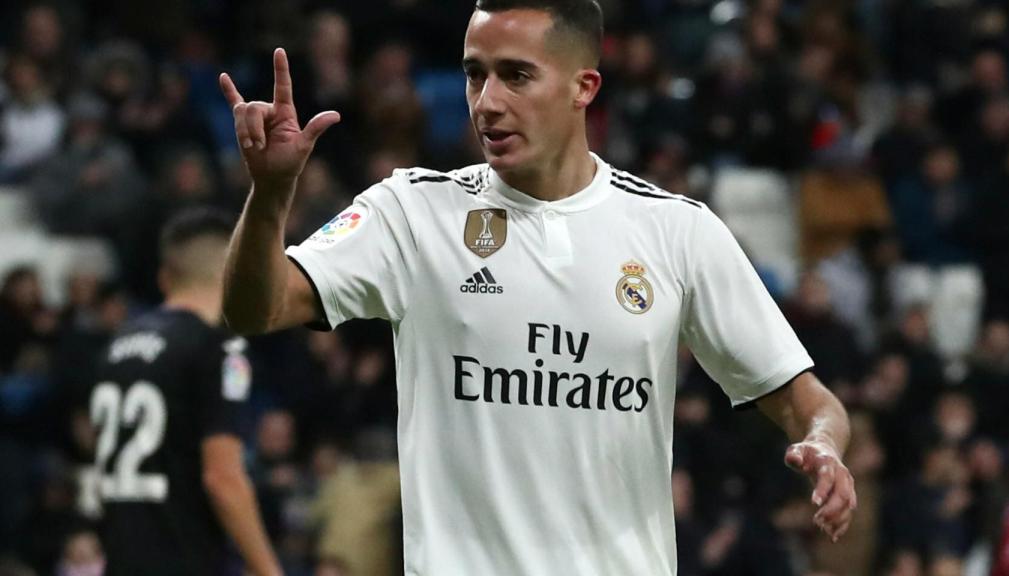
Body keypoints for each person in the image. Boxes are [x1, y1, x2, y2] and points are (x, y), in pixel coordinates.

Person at [219, 1, 857, 573]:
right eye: (475, 74)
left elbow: (809, 400)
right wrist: (271, 195)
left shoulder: (674, 232)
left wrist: (824, 444)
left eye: (516, 75)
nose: (487, 101)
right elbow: (256, 309)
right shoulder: (411, 214)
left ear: (584, 87)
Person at [89, 209, 281, 575]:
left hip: (119, 560)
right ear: (234, 271)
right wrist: (268, 569)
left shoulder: (117, 347)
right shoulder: (221, 349)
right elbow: (222, 478)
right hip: (183, 558)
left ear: (166, 277)